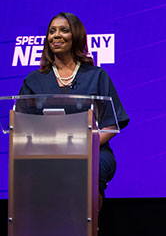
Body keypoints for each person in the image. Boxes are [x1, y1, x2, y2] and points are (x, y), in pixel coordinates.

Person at [19, 12, 129, 200]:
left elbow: (112, 124)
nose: (56, 35)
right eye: (52, 31)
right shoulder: (33, 80)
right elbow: (21, 124)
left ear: (76, 36)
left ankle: (88, 227)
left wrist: (83, 144)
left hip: (93, 150)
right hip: (46, 152)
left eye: (64, 30)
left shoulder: (97, 75)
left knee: (90, 169)